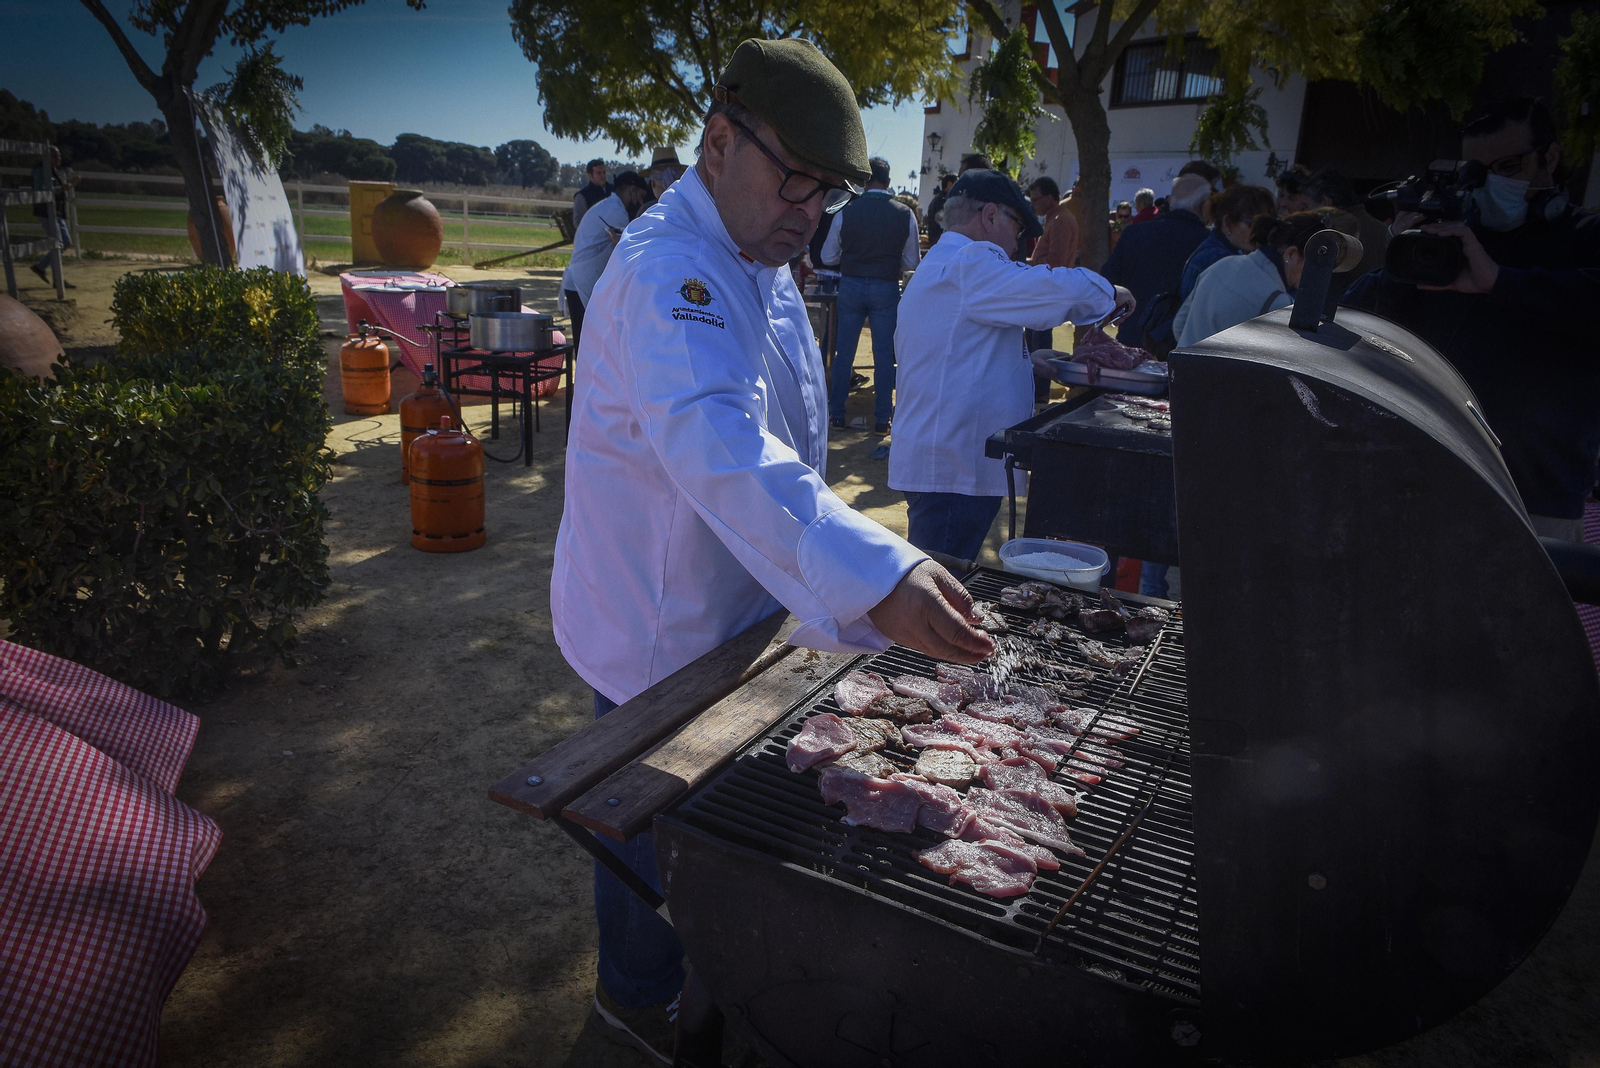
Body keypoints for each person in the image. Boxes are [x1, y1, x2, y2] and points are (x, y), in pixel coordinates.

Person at [551, 38, 995, 1063]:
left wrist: (835, 570)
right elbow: (718, 442)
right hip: (658, 629)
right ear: (717, 142)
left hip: (741, 614)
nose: (808, 210)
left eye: (827, 194)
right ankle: (631, 1010)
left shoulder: (761, 251)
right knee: (650, 848)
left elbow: (790, 434)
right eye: (794, 178)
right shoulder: (670, 267)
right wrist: (875, 569)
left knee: (717, 850)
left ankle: (706, 987)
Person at [1343, 96, 1600, 539]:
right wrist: (1399, 258)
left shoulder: (1585, 238)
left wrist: (1500, 281)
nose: (1493, 182)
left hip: (1535, 499)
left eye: (1510, 166)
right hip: (1422, 481)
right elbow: (1352, 323)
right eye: (1477, 172)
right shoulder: (1444, 240)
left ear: (1551, 157)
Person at [890, 170, 1134, 560]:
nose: (1021, 241)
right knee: (940, 590)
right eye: (1018, 226)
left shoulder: (944, 261)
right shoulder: (970, 259)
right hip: (956, 467)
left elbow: (952, 352)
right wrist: (1108, 292)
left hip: (947, 461)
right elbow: (1045, 290)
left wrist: (1028, 362)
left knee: (939, 581)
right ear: (990, 215)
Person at [820, 155, 920, 432]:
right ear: (888, 181)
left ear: (865, 180)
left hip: (851, 284)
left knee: (844, 353)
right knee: (884, 355)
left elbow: (828, 256)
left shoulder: (846, 211)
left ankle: (836, 413)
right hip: (885, 285)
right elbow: (913, 262)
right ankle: (882, 418)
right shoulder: (904, 213)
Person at [1175, 209, 1356, 347]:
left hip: (1179, 377)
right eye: (1315, 263)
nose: (1318, 274)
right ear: (1291, 254)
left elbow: (1179, 326)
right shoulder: (1278, 303)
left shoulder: (1223, 264)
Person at [1096, 174, 1211, 348]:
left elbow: (1106, 282)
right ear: (1205, 206)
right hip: (1180, 346)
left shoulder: (1134, 234)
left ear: (1171, 200)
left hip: (1133, 340)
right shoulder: (1207, 244)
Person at [560, 170, 654, 352]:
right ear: (632, 190)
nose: (641, 202)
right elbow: (628, 249)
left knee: (586, 342)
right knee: (589, 344)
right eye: (641, 196)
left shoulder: (607, 205)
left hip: (579, 278)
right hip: (582, 281)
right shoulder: (616, 212)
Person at [1179, 183, 1276, 299]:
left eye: (1265, 225)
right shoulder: (1219, 259)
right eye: (1251, 223)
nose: (1260, 231)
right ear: (1228, 223)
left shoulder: (1220, 251)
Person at [1302, 167, 1388, 284]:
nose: (1304, 212)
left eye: (1306, 206)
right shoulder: (1384, 231)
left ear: (1324, 203)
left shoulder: (1333, 235)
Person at [30, 146, 77, 288]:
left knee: (66, 242)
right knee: (59, 244)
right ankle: (58, 280)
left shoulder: (53, 171)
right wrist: (61, 188)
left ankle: (40, 267)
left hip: (56, 212)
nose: (58, 159)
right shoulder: (41, 170)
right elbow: (41, 190)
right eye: (56, 156)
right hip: (46, 211)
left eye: (59, 156)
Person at [1027, 176, 1078, 270]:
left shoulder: (1060, 220)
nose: (1032, 205)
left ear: (1048, 198)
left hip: (1054, 281)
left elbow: (1056, 261)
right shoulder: (1054, 217)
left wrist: (1030, 263)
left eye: (1035, 200)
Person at [571, 158, 612, 227]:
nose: (603, 176)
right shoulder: (582, 196)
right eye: (599, 173)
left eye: (604, 172)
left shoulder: (614, 191)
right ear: (590, 176)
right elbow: (578, 222)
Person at [926, 171, 957, 244]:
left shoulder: (935, 200)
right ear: (949, 184)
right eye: (956, 183)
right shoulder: (945, 201)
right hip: (943, 241)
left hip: (935, 241)